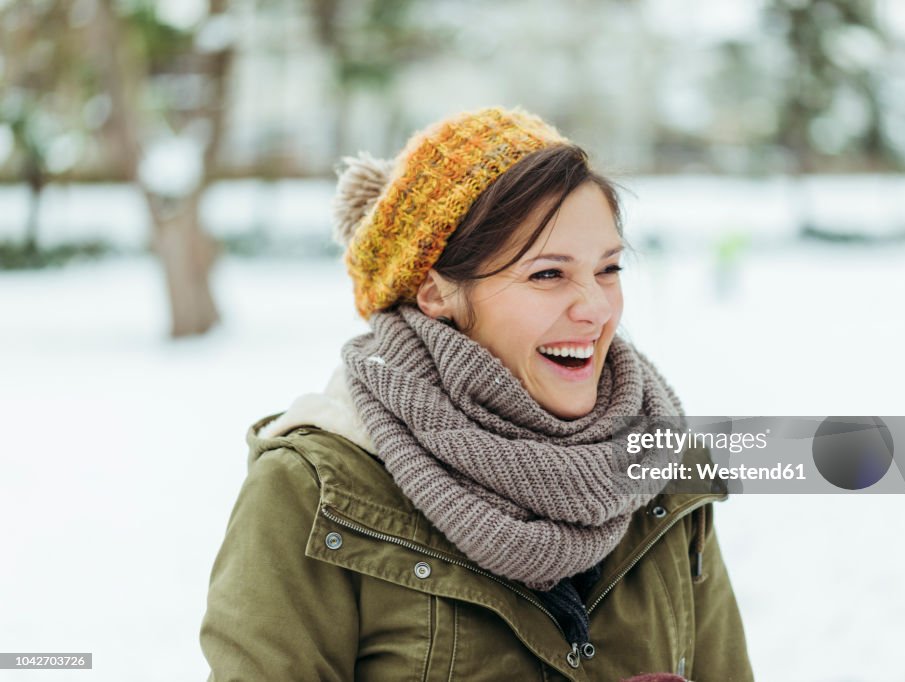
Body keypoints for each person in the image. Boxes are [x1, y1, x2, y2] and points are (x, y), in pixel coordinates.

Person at [200, 107, 753, 681]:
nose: (595, 308)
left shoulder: (661, 461)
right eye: (547, 274)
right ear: (436, 292)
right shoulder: (313, 491)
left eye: (608, 269)